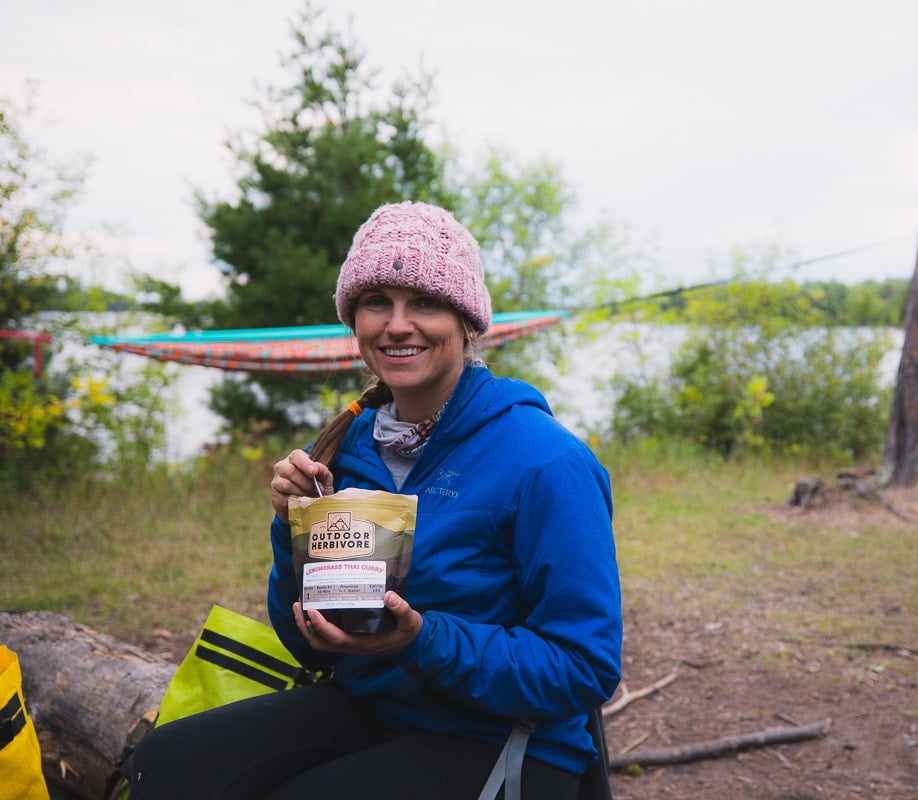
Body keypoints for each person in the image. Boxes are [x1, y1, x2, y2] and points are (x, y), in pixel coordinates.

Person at [126, 202, 622, 799]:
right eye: (376, 302)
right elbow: (304, 638)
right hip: (371, 706)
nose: (397, 324)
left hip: (502, 738)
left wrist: (422, 640)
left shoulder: (545, 462)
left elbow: (585, 666)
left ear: (466, 322)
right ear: (353, 319)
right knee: (166, 763)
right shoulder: (347, 445)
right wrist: (291, 532)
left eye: (425, 302)